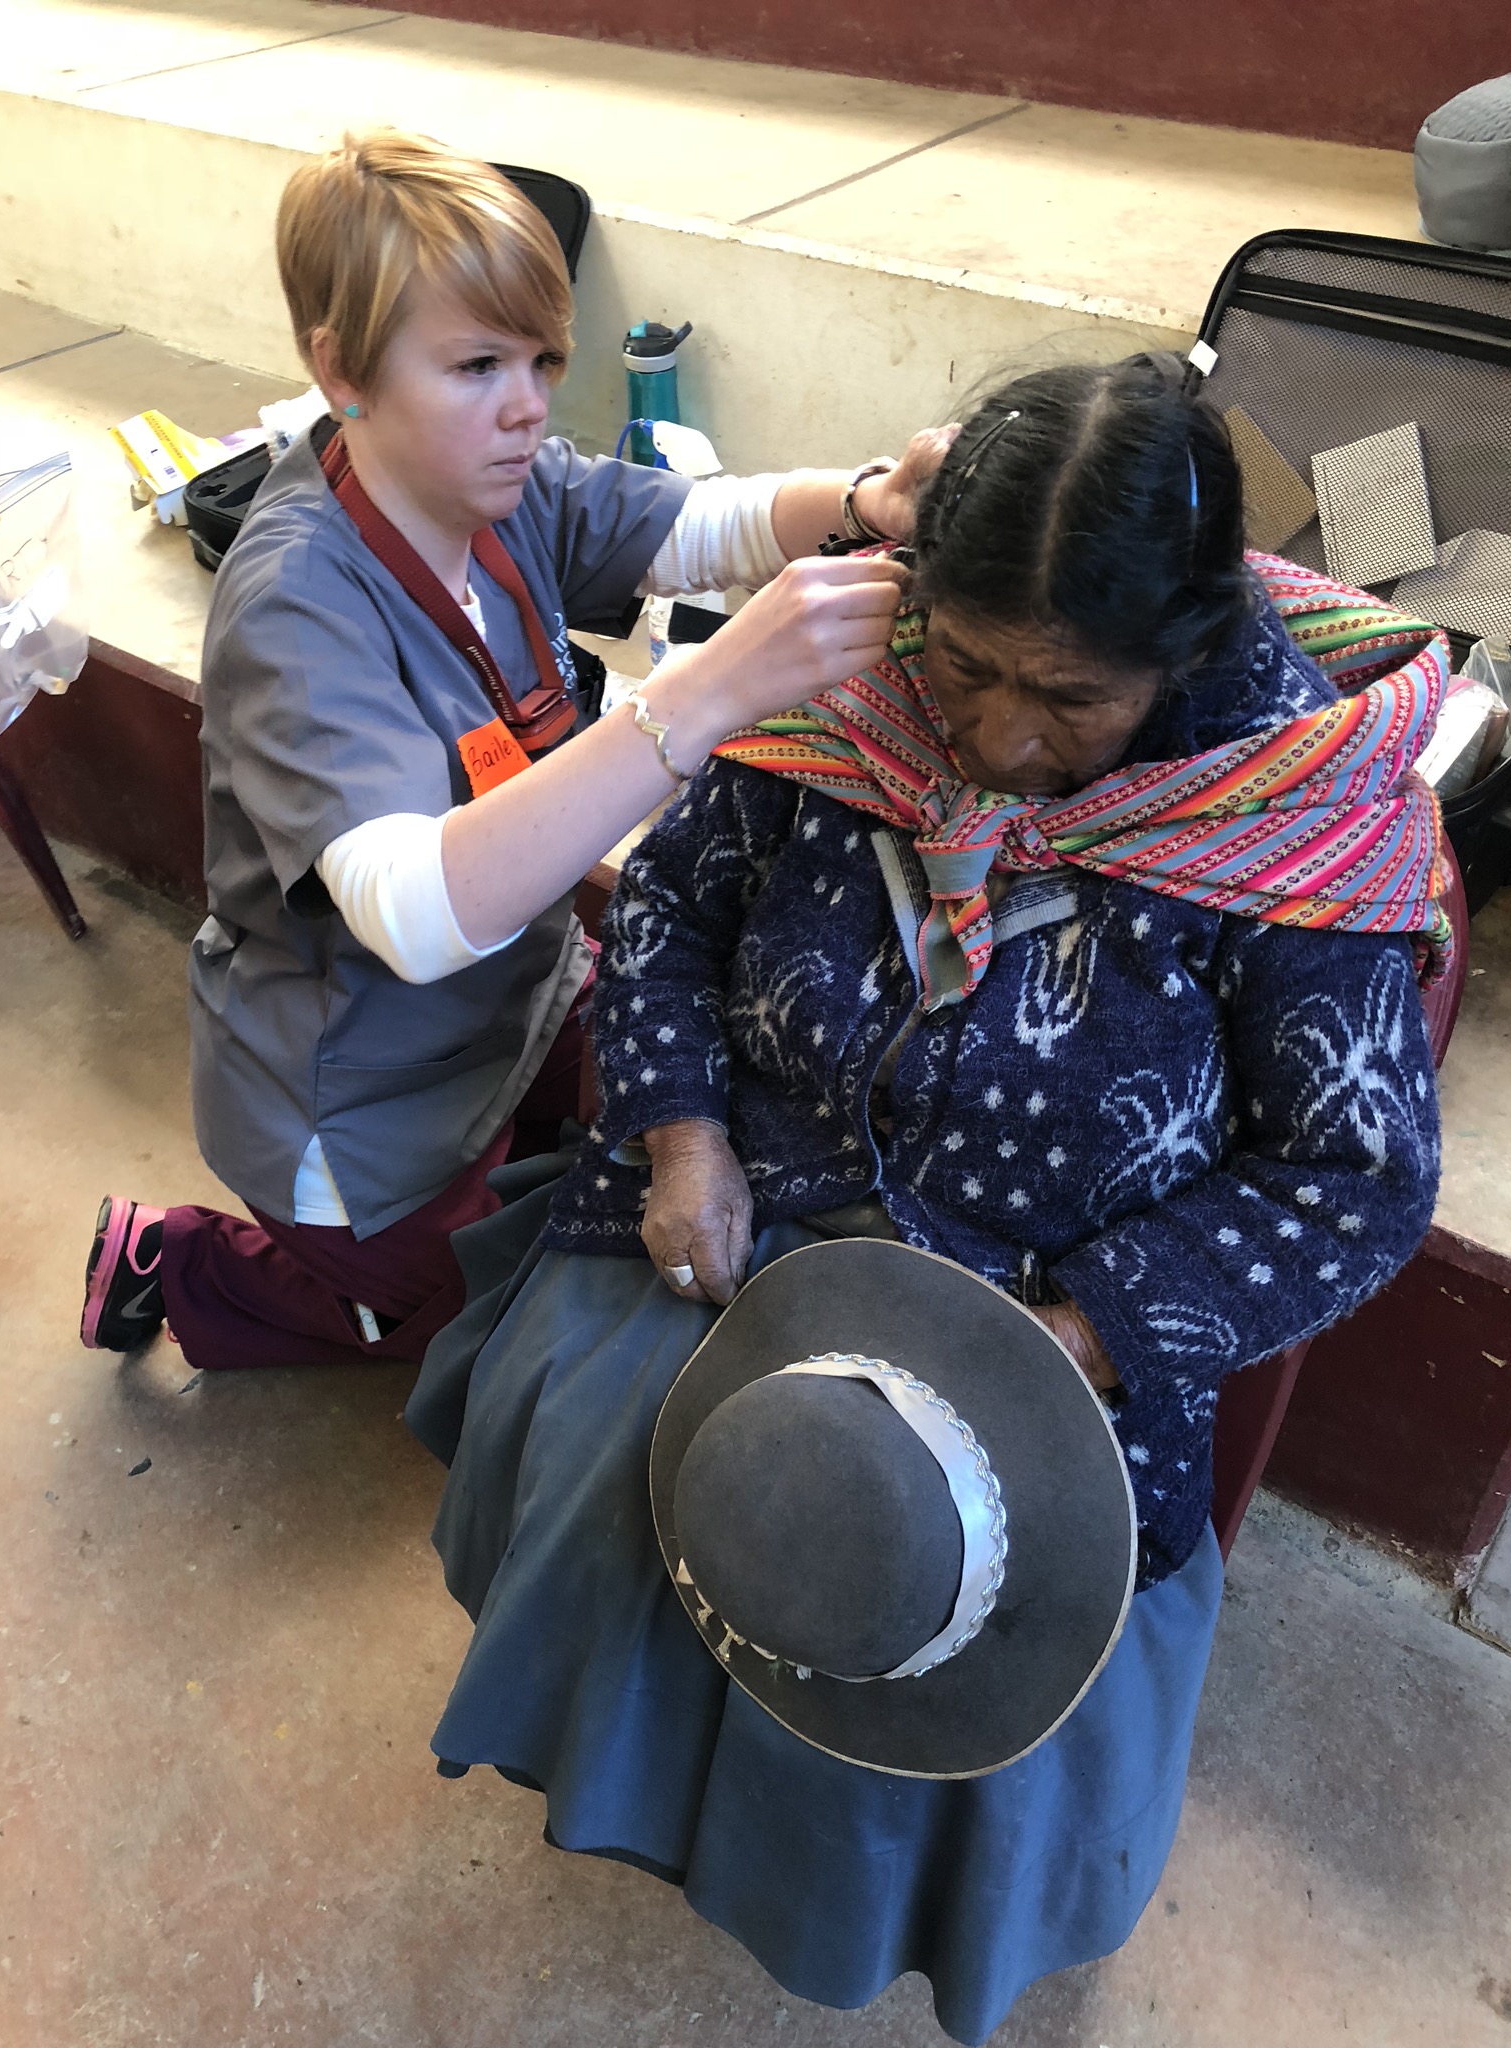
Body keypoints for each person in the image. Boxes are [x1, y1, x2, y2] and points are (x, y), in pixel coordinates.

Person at [405, 352, 1452, 2043]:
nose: (994, 738)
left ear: (1177, 663)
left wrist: (1075, 1340)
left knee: (914, 1600)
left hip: (1060, 1310)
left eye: (1071, 699)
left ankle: (835, 1890)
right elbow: (670, 906)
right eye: (963, 665)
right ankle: (654, 1791)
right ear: (917, 597)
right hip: (764, 1193)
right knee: (626, 1478)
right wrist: (683, 1138)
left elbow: (1355, 1178)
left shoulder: (1295, 818)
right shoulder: (848, 677)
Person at [79, 128, 937, 1370]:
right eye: (478, 363)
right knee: (440, 1323)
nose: (528, 406)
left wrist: (863, 503)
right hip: (363, 1101)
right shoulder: (297, 605)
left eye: (543, 359)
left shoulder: (495, 484)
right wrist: (703, 694)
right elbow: (416, 915)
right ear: (340, 369)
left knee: (574, 1187)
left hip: (519, 1001)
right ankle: (189, 1261)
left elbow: (697, 524)